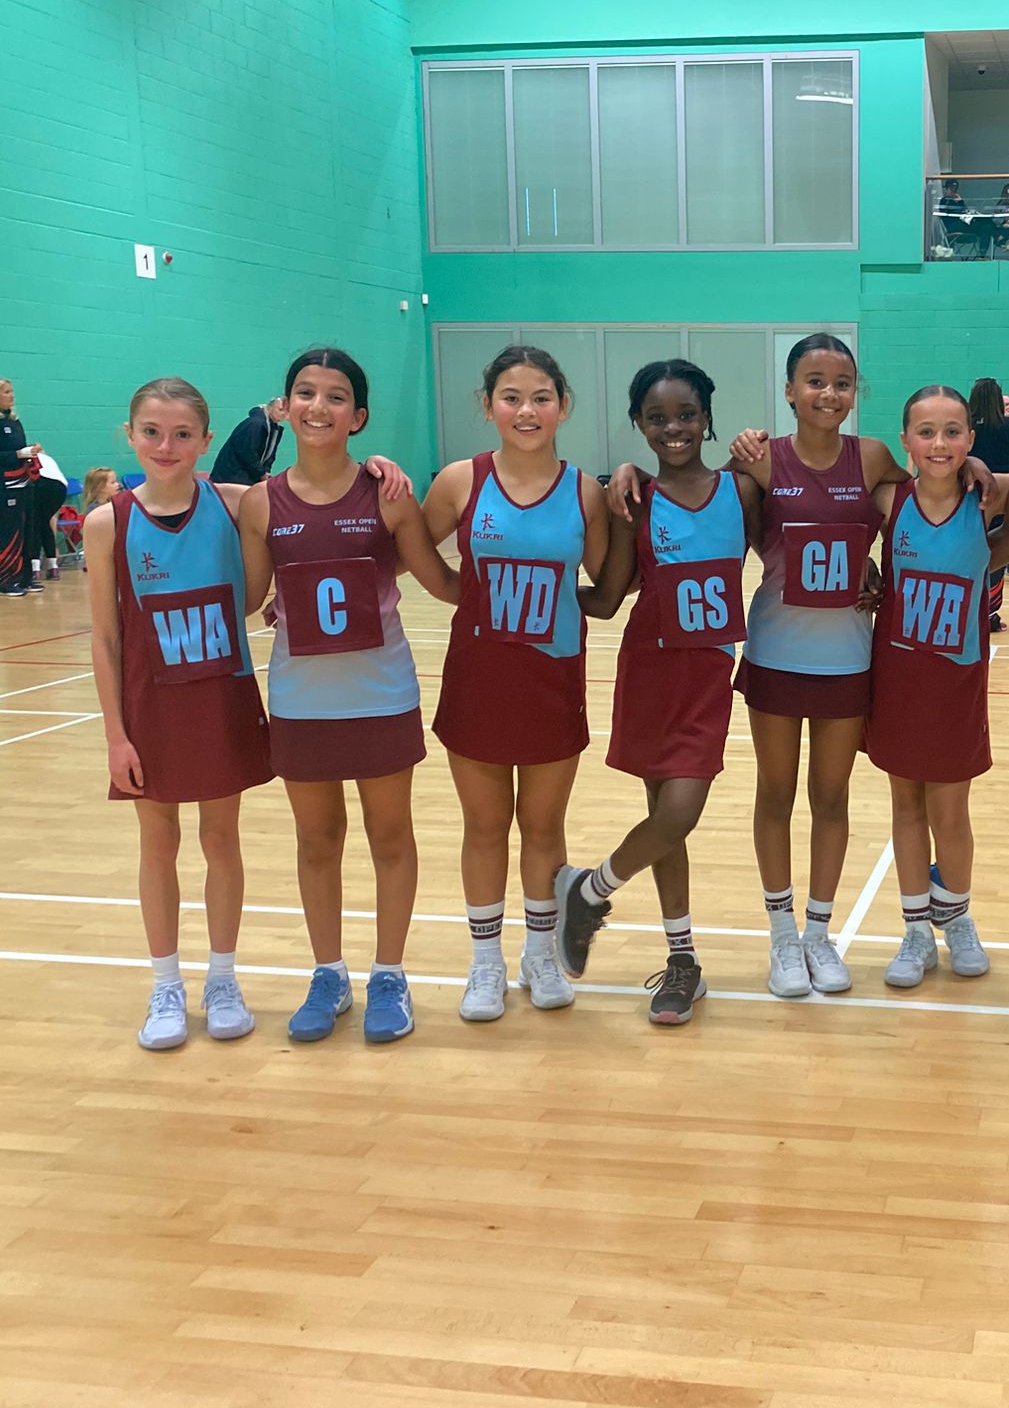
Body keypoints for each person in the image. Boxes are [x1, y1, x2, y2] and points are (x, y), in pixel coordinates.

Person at [607, 337, 979, 999]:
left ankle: (818, 934)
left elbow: (928, 495)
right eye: (814, 380)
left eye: (841, 382)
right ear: (789, 390)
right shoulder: (758, 461)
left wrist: (970, 462)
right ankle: (782, 935)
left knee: (830, 799)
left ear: (855, 392)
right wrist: (628, 472)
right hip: (775, 653)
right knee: (775, 796)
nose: (828, 393)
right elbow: (695, 489)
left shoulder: (872, 458)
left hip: (848, 659)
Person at [236, 347, 456, 1045]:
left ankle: (389, 974)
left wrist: (533, 572)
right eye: (305, 392)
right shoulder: (261, 502)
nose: (318, 407)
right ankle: (328, 974)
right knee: (316, 840)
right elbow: (248, 599)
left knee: (390, 837)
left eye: (336, 396)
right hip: (300, 700)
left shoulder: (388, 494)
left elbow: (442, 583)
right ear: (285, 405)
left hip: (381, 693)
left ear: (358, 416)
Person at [418, 345, 609, 1024]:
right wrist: (457, 592)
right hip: (478, 679)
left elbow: (608, 581)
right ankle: (484, 963)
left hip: (552, 679)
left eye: (540, 398)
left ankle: (539, 955)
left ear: (563, 406)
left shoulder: (585, 491)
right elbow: (410, 545)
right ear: (487, 405)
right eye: (511, 397)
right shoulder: (459, 481)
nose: (526, 411)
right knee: (484, 827)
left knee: (543, 828)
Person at [85, 377, 273, 1051]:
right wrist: (116, 736)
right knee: (158, 843)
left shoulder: (237, 504)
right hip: (151, 706)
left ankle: (222, 979)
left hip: (221, 697)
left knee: (221, 840)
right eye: (152, 432)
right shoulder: (108, 522)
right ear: (130, 435)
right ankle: (165, 984)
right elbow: (106, 639)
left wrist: (381, 467)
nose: (166, 446)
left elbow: (320, 489)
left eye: (183, 434)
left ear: (206, 440)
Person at [572, 360, 758, 1025]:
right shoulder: (634, 500)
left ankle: (587, 891)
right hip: (650, 670)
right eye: (657, 417)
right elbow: (608, 598)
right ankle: (683, 963)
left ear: (707, 417)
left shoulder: (743, 489)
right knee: (664, 826)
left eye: (686, 414)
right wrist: (525, 581)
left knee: (678, 815)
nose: (673, 428)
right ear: (638, 423)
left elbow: (793, 542)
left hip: (707, 677)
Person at [870, 386, 1009, 989]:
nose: (939, 444)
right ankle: (916, 931)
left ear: (970, 438)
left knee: (950, 811)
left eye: (952, 432)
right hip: (898, 678)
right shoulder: (888, 498)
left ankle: (958, 916)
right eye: (926, 432)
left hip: (957, 684)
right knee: (906, 806)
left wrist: (991, 469)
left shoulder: (987, 495)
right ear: (905, 441)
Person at [0, 376, 37, 596]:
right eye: (6, 392)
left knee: (25, 529)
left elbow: (19, 449)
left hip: (23, 482)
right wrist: (17, 454)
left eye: (12, 391)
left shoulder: (14, 420)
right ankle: (4, 581)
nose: (12, 396)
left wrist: (30, 452)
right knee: (7, 531)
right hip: (3, 484)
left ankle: (24, 578)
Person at [968, 377, 1009, 631]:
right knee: (996, 554)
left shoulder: (965, 430)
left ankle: (967, 609)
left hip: (969, 500)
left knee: (968, 555)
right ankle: (989, 613)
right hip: (1004, 499)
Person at [211, 397, 287, 486]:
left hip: (246, 475)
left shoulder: (273, 428)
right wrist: (261, 473)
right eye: (280, 410)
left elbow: (270, 454)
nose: (283, 414)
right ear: (270, 408)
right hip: (231, 476)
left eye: (286, 411)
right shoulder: (255, 424)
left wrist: (266, 471)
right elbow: (247, 452)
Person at [25, 445, 69, 581]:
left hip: (40, 484)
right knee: (44, 524)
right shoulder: (48, 459)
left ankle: (34, 569)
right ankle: (53, 567)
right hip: (60, 488)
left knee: (35, 525)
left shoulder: (25, 458)